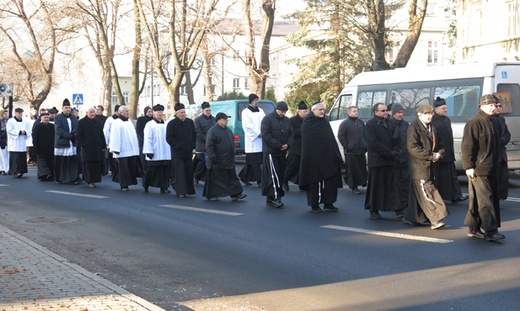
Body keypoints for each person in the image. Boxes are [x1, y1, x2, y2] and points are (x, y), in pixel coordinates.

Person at [461, 94, 504, 241]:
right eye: (490, 105)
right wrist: (469, 166)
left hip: (492, 168)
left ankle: (473, 227)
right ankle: (490, 231)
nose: (493, 108)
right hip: (479, 169)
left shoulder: (494, 122)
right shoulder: (474, 122)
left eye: (495, 105)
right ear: (482, 106)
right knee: (486, 200)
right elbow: (467, 146)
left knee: (478, 200)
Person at [402, 104, 449, 230]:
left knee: (417, 194)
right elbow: (412, 148)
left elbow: (441, 143)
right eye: (427, 114)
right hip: (419, 167)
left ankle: (411, 217)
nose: (430, 116)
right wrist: (430, 156)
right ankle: (436, 218)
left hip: (432, 166)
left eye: (431, 113)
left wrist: (440, 153)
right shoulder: (413, 128)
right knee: (428, 191)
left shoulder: (433, 127)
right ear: (420, 114)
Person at [299, 102, 342, 213]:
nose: (322, 111)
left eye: (323, 109)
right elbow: (309, 141)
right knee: (315, 181)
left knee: (330, 181)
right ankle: (315, 204)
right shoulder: (308, 122)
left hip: (327, 156)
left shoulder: (324, 122)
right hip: (314, 158)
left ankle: (329, 203)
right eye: (320, 109)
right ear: (313, 110)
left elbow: (330, 138)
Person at [364, 102, 402, 220]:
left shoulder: (390, 123)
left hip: (390, 160)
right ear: (376, 112)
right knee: (376, 186)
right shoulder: (370, 124)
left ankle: (398, 209)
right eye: (383, 111)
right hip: (377, 161)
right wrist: (389, 152)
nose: (386, 112)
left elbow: (396, 138)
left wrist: (395, 151)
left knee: (393, 185)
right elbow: (373, 142)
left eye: (386, 110)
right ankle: (373, 209)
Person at [431, 97, 468, 204]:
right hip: (439, 154)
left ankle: (456, 196)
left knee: (452, 177)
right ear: (436, 109)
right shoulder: (433, 120)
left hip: (449, 153)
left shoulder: (447, 119)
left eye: (446, 108)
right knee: (440, 178)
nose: (445, 110)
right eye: (443, 108)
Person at [203, 112, 247, 201]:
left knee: (232, 177)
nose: (226, 121)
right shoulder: (213, 131)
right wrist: (212, 157)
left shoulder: (228, 130)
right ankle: (212, 195)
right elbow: (209, 146)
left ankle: (236, 194)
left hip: (228, 159)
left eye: (227, 119)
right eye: (224, 119)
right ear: (218, 120)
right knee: (216, 180)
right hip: (218, 159)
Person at [260, 101, 294, 208]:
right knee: (273, 176)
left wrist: (287, 145)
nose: (283, 113)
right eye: (281, 111)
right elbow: (266, 135)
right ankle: (275, 197)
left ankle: (270, 197)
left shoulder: (287, 120)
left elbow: (291, 134)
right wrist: (278, 145)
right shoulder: (267, 119)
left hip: (282, 152)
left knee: (280, 175)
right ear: (276, 109)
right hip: (271, 152)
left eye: (285, 111)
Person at [166, 103, 196, 197]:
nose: (183, 114)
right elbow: (169, 138)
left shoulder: (190, 122)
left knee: (188, 173)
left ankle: (188, 190)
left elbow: (194, 135)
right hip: (178, 153)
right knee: (180, 174)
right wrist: (178, 146)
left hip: (188, 152)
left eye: (184, 112)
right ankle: (180, 191)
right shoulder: (172, 124)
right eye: (181, 113)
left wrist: (192, 145)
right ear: (177, 114)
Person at [337, 106, 367, 195]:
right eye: (354, 111)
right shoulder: (345, 123)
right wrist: (347, 146)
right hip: (350, 152)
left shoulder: (360, 122)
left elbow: (365, 134)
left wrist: (366, 146)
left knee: (361, 169)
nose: (356, 112)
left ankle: (362, 183)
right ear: (349, 113)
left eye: (357, 111)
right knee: (352, 171)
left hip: (361, 151)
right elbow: (341, 136)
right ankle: (354, 187)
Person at [110, 105, 140, 191]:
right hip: (122, 150)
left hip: (131, 150)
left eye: (128, 111)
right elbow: (115, 136)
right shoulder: (116, 122)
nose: (128, 112)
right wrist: (116, 150)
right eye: (126, 111)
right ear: (121, 112)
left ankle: (129, 182)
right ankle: (123, 184)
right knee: (123, 168)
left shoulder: (129, 122)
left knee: (130, 167)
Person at [142, 104, 171, 194]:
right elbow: (147, 138)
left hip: (165, 151)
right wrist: (149, 151)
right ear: (154, 113)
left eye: (161, 112)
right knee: (152, 170)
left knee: (165, 171)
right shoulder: (150, 125)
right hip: (155, 151)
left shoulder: (166, 124)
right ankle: (146, 184)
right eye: (158, 112)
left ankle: (164, 187)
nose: (160, 114)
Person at [76, 106, 106, 188]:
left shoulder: (98, 122)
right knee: (88, 164)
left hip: (97, 147)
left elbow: (101, 135)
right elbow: (78, 135)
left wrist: (103, 145)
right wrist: (84, 144)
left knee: (96, 163)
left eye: (94, 112)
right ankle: (89, 180)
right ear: (87, 113)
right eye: (91, 112)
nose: (93, 114)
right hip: (87, 148)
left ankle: (95, 179)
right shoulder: (81, 122)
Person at [238, 93, 264, 186]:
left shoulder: (261, 111)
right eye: (255, 100)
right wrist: (257, 133)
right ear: (252, 101)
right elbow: (247, 125)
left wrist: (264, 131)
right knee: (255, 161)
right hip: (252, 140)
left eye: (257, 100)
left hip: (261, 140)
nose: (257, 102)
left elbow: (264, 121)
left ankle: (244, 176)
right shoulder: (246, 112)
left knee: (251, 162)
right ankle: (260, 180)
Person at [54, 99, 81, 185]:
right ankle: (61, 178)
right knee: (62, 161)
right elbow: (58, 130)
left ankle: (74, 178)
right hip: (62, 142)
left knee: (72, 162)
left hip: (72, 142)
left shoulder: (74, 118)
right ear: (62, 108)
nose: (68, 109)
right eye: (66, 107)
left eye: (69, 107)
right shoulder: (58, 118)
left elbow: (76, 128)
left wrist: (73, 135)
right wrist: (69, 136)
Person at [389, 103, 410, 211]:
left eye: (402, 112)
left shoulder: (406, 124)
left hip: (406, 159)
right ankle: (398, 207)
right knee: (396, 185)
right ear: (393, 113)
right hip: (394, 160)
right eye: (398, 112)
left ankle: (406, 204)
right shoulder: (389, 124)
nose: (400, 115)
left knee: (406, 183)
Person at [283, 101, 308, 189]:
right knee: (291, 167)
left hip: (305, 149)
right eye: (304, 111)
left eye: (306, 111)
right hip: (295, 148)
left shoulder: (308, 120)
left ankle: (302, 184)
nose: (306, 113)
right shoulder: (292, 121)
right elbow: (290, 132)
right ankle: (284, 181)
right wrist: (303, 130)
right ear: (298, 112)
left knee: (303, 169)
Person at [193, 101, 216, 183]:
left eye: (209, 110)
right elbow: (198, 132)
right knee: (202, 162)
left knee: (209, 163)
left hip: (211, 145)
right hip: (202, 145)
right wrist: (208, 139)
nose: (208, 112)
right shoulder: (198, 120)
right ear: (203, 111)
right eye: (207, 110)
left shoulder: (213, 119)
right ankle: (196, 175)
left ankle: (207, 178)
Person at [6, 108, 32, 178]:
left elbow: (29, 129)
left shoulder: (25, 121)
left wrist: (25, 132)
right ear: (15, 113)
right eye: (18, 113)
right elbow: (9, 130)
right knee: (16, 157)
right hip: (14, 142)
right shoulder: (11, 121)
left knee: (22, 156)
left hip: (22, 141)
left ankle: (22, 170)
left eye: (21, 113)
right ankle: (16, 171)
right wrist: (18, 132)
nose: (20, 114)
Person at [493, 102, 510, 200]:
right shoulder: (490, 120)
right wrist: (500, 140)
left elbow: (507, 134)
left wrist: (503, 140)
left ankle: (499, 197)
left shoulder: (501, 119)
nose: (498, 108)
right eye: (496, 106)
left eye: (500, 106)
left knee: (502, 178)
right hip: (494, 153)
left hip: (502, 153)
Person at [32, 112, 55, 181]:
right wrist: (35, 147)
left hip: (51, 147)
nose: (46, 119)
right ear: (41, 118)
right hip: (41, 147)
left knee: (51, 162)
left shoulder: (52, 126)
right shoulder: (38, 127)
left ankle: (51, 175)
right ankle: (45, 174)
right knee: (42, 162)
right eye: (45, 117)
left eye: (47, 117)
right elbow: (35, 138)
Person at [104, 104, 121, 174]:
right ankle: (113, 170)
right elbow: (106, 131)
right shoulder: (110, 119)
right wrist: (106, 142)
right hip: (111, 141)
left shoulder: (122, 120)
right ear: (116, 112)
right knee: (112, 157)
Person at [135, 106, 153, 174]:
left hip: (151, 143)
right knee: (143, 159)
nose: (150, 113)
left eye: (151, 112)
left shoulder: (153, 120)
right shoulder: (141, 119)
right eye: (148, 112)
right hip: (143, 142)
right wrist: (143, 139)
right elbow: (139, 130)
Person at [0, 110, 9, 175]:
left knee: (6, 154)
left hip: (6, 139)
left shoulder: (8, 121)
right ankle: (3, 168)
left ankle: (6, 168)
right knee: (3, 155)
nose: (6, 115)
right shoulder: (1, 122)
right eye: (5, 113)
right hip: (2, 140)